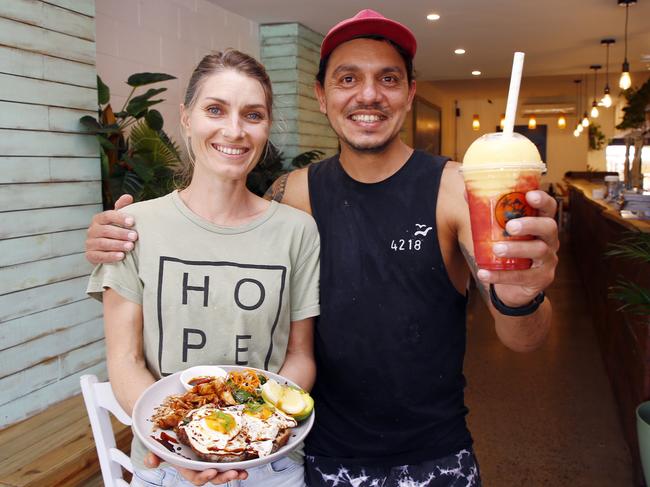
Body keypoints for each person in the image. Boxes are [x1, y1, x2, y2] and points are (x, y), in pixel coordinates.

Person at [85, 10, 559, 487]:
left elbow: (524, 339)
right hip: (318, 456)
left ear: (410, 93)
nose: (369, 94)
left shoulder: (454, 188)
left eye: (388, 78)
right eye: (348, 78)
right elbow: (218, 224)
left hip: (432, 457)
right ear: (321, 95)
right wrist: (111, 234)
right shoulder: (292, 193)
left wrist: (523, 295)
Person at [86, 49, 320, 487]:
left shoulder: (298, 231)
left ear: (267, 128)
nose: (234, 130)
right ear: (186, 117)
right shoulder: (133, 226)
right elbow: (125, 359)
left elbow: (299, 355)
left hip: (268, 462)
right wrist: (177, 442)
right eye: (215, 109)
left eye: (253, 114)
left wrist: (246, 432)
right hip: (166, 461)